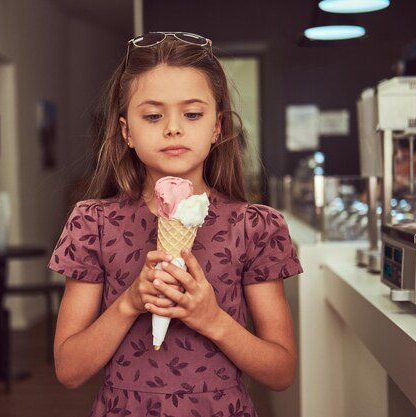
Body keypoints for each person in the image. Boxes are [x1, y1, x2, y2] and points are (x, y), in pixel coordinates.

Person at [48, 32, 303, 416]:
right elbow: (68, 370)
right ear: (126, 131)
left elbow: (282, 371)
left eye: (193, 114)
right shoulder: (92, 223)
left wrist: (213, 320)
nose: (173, 128)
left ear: (217, 127)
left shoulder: (256, 227)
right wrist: (130, 302)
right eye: (153, 115)